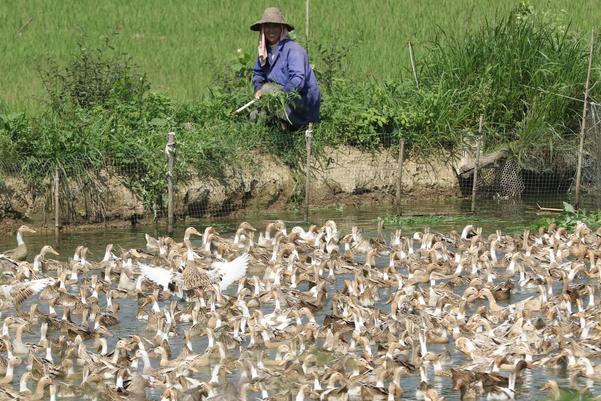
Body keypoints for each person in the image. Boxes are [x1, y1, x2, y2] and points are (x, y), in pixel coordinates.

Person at [250, 7, 321, 129]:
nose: (271, 30)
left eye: (275, 26)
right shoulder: (264, 51)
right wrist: (258, 89)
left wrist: (277, 94)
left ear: (282, 28)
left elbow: (298, 80)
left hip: (300, 101)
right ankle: (276, 126)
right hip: (278, 97)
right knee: (254, 116)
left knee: (267, 89)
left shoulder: (293, 49)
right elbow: (258, 74)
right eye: (267, 26)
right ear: (262, 29)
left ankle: (291, 124)